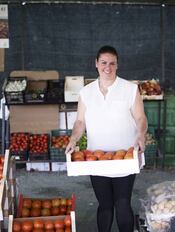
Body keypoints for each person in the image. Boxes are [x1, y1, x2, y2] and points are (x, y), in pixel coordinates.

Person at [65, 45, 148, 232]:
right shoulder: (86, 92)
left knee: (122, 204)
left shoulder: (130, 89)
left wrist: (141, 134)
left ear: (117, 65)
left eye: (112, 63)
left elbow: (141, 118)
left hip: (124, 158)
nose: (107, 67)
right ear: (96, 64)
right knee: (104, 205)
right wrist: (73, 140)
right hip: (96, 159)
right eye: (103, 62)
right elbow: (79, 122)